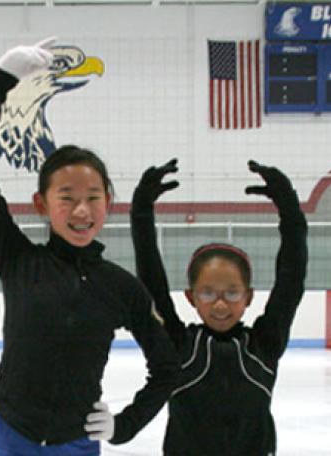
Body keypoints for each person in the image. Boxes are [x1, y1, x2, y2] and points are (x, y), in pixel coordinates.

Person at [0, 37, 179, 456]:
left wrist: (125, 425)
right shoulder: (19, 259)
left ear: (108, 203)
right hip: (10, 434)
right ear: (42, 204)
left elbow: (167, 368)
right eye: (67, 196)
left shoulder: (122, 287)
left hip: (75, 442)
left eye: (94, 196)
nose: (82, 209)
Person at [130, 158, 308, 455]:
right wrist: (141, 213)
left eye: (232, 293)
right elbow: (152, 284)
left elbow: (291, 280)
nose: (221, 304)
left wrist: (289, 209)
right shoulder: (177, 346)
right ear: (191, 297)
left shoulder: (264, 346)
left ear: (249, 297)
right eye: (208, 293)